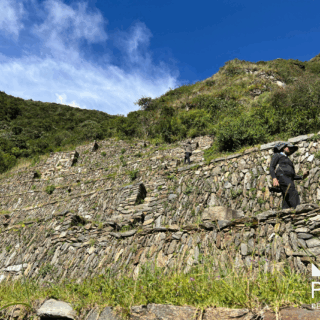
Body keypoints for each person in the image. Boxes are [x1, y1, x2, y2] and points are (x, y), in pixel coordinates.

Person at [269, 142, 309, 209]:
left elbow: (293, 176)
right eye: (288, 148)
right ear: (283, 148)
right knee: (293, 194)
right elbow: (271, 167)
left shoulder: (289, 160)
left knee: (286, 200)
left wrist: (302, 177)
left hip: (289, 180)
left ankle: (284, 215)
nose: (290, 150)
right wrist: (274, 178)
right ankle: (298, 211)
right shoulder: (277, 155)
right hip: (282, 178)